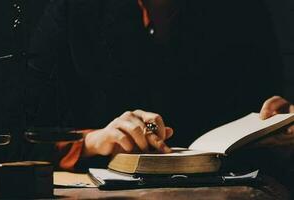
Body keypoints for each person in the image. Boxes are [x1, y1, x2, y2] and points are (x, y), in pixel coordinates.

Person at [25, 0, 293, 171]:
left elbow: (267, 127)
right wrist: (92, 141)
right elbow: (14, 134)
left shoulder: (242, 12)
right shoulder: (74, 9)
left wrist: (280, 131)